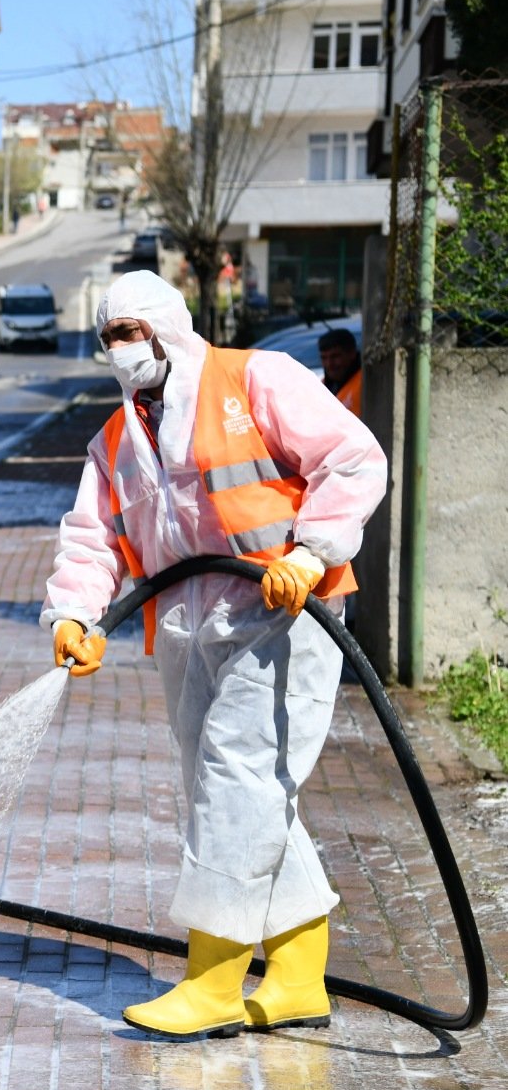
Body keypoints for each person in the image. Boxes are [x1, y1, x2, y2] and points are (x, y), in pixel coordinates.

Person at [42, 270, 387, 1040]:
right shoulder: (116, 439)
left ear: (165, 327)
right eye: (108, 338)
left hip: (284, 615)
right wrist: (74, 613)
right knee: (244, 789)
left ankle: (214, 979)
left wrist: (310, 551)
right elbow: (93, 536)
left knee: (237, 781)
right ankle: (297, 975)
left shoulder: (256, 378)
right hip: (189, 631)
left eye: (127, 332)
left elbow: (355, 458)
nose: (118, 350)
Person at [318, 327, 363, 417]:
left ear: (352, 354)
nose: (329, 364)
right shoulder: (322, 387)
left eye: (335, 356)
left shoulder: (365, 383)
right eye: (324, 358)